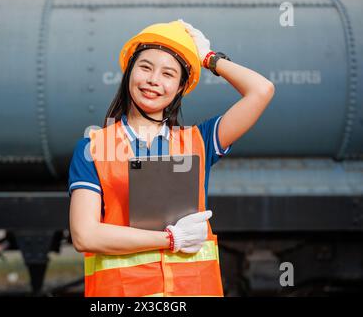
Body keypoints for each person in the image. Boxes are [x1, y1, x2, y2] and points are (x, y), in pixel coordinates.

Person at [68, 20, 274, 297]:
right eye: (145, 67)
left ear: (180, 88)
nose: (154, 80)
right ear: (129, 73)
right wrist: (170, 239)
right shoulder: (93, 148)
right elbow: (84, 235)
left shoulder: (198, 141)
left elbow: (261, 90)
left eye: (168, 73)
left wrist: (208, 59)